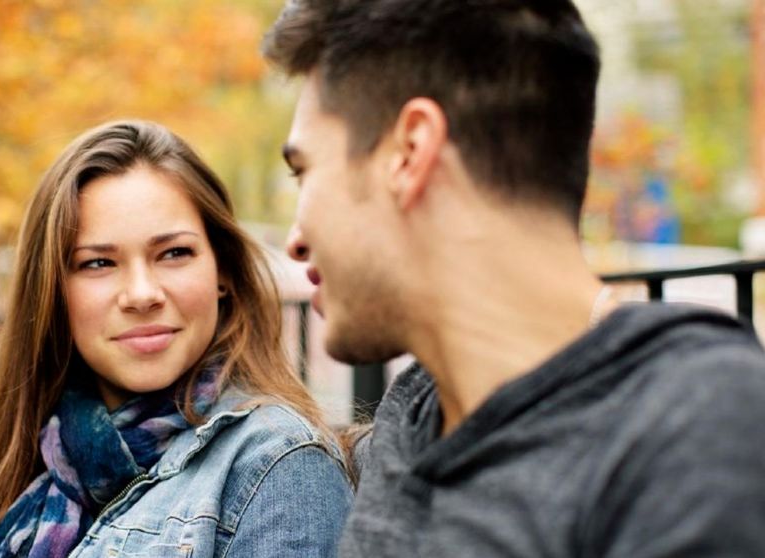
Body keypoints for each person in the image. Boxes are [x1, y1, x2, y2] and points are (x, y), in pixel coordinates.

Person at [262, 1, 765, 557]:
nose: (295, 239)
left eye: (303, 171)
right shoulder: (412, 415)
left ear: (410, 151)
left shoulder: (693, 427)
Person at [0, 120, 353, 558]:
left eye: (174, 253)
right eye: (98, 263)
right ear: (53, 291)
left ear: (222, 271)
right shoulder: (34, 459)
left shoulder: (279, 466)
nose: (142, 294)